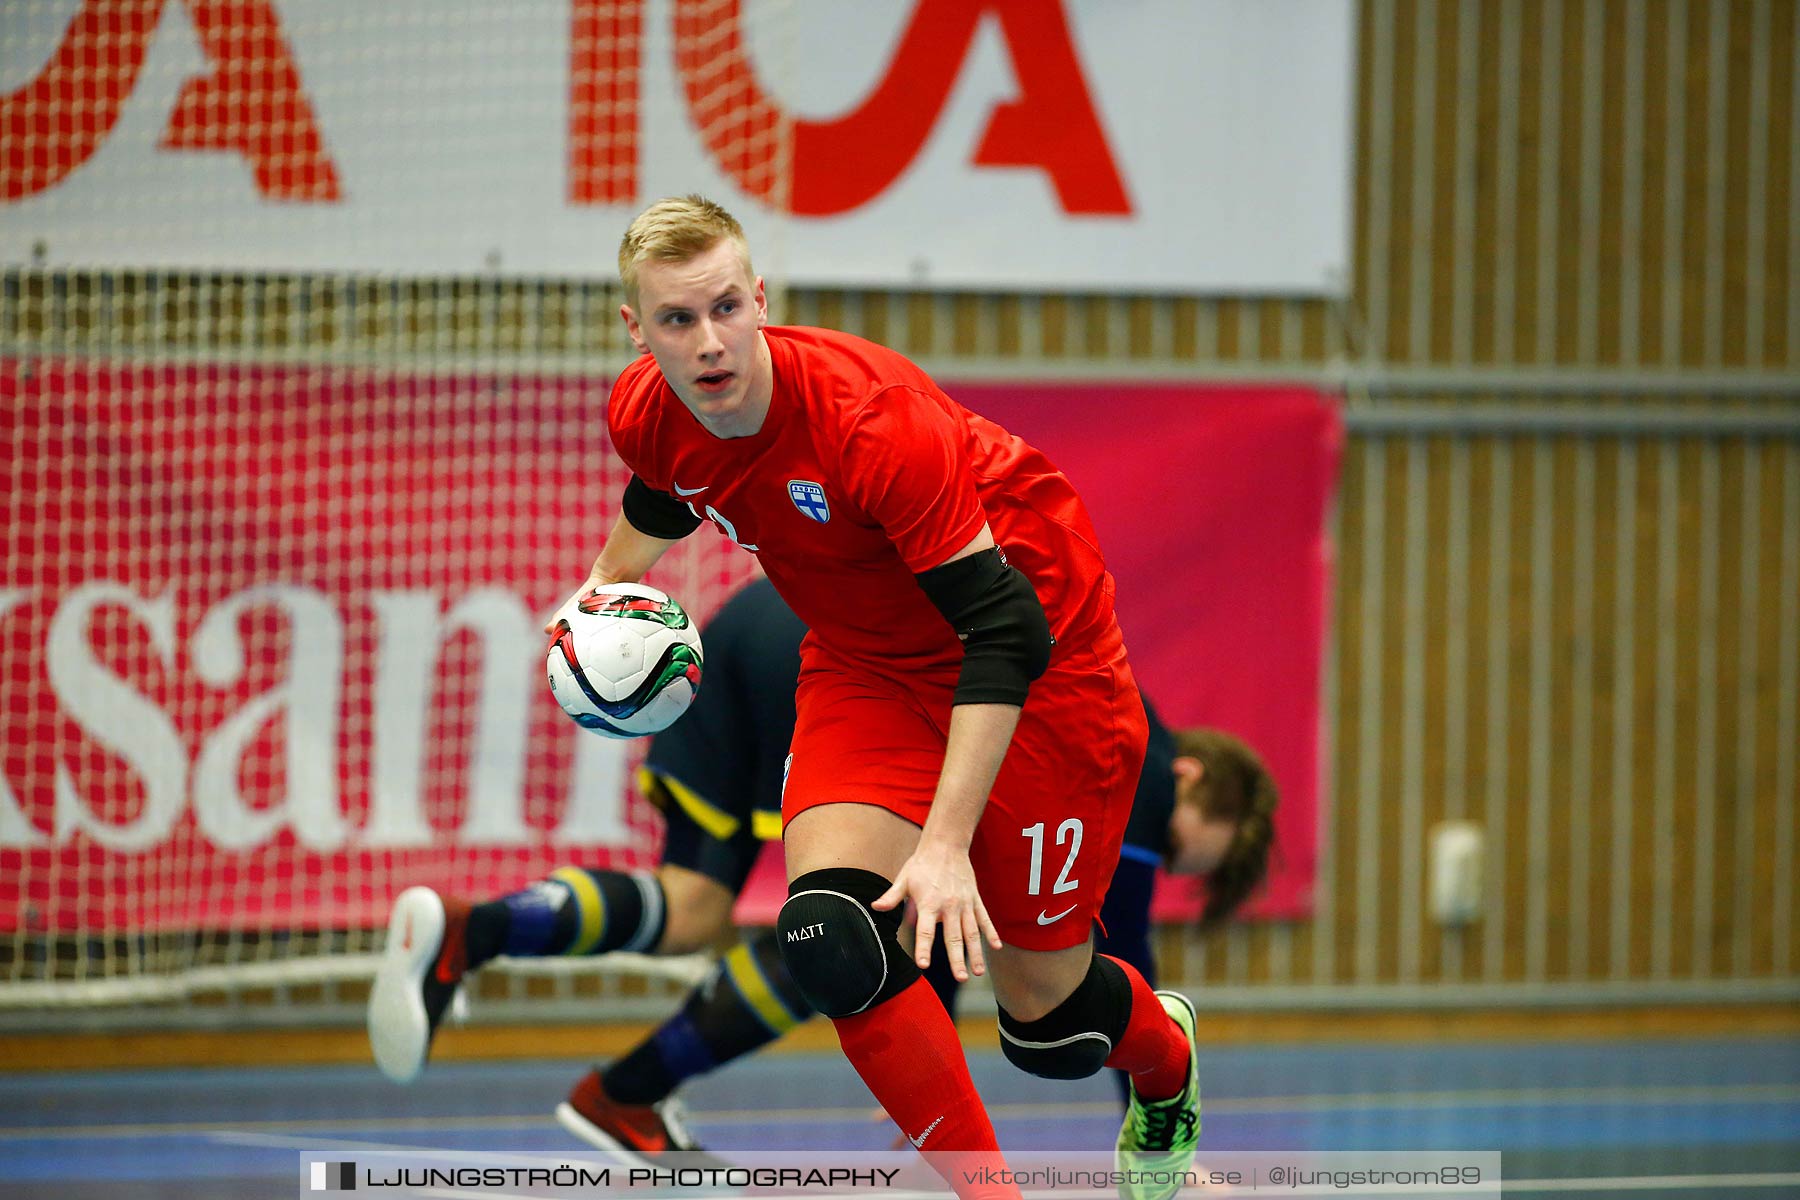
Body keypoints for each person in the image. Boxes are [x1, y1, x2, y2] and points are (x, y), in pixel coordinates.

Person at [375, 194, 1210, 1200]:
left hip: (1040, 660)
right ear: (637, 331)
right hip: (865, 663)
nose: (710, 342)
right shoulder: (647, 407)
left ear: (760, 298)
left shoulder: (871, 421)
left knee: (1051, 1022)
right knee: (829, 936)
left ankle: (1168, 1068)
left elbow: (1006, 631)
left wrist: (944, 845)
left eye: (728, 308)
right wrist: (593, 605)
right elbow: (660, 492)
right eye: (679, 322)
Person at [368, 577, 1279, 1164]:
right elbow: (1118, 967)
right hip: (840, 665)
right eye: (1192, 846)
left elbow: (944, 945)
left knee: (696, 908)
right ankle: (626, 1088)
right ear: (1192, 780)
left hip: (759, 624)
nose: (1164, 859)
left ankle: (483, 936)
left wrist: (928, 1073)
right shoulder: (1147, 759)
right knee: (845, 927)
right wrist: (1167, 1138)